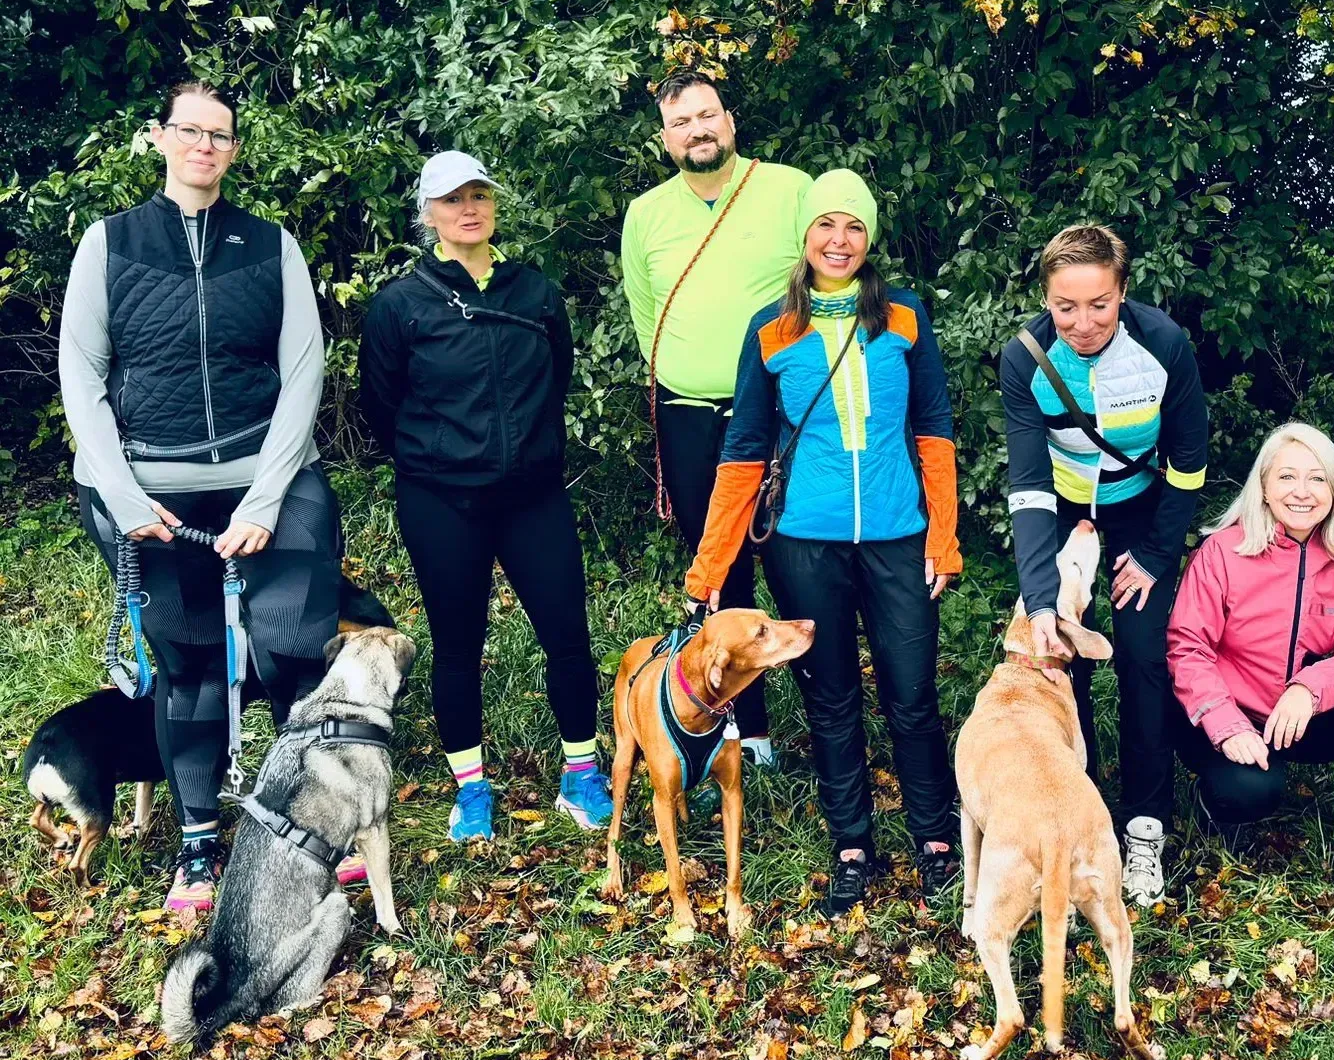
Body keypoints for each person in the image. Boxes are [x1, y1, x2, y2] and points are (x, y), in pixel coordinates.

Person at [59, 79, 343, 913]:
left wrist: (262, 500)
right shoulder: (109, 244)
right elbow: (81, 376)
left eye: (220, 135)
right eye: (190, 131)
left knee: (296, 645)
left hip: (268, 474)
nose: (204, 146)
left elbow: (302, 372)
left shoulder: (270, 245)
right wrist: (123, 495)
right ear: (160, 138)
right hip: (153, 491)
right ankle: (197, 843)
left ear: (234, 150)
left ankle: (307, 825)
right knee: (188, 668)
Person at [684, 170, 962, 914]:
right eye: (826, 226)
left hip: (899, 538)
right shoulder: (771, 328)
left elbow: (934, 429)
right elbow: (743, 447)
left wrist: (945, 538)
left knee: (912, 691)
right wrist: (712, 562)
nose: (839, 241)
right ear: (804, 237)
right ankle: (852, 844)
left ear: (870, 240)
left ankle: (935, 837)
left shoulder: (904, 318)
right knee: (832, 696)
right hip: (803, 541)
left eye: (855, 228)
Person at [359, 151, 609, 842]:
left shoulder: (536, 292)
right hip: (442, 501)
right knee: (457, 644)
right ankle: (471, 788)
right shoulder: (400, 305)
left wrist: (524, 449)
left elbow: (554, 376)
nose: (468, 208)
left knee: (566, 634)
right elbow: (381, 406)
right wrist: (443, 457)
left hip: (533, 495)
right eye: (451, 199)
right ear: (428, 214)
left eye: (479, 195)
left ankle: (581, 774)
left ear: (494, 205)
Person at [1000, 224, 1208, 906]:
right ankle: (1080, 817)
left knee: (1143, 658)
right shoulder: (1023, 359)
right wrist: (1039, 603)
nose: (1083, 323)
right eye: (1066, 307)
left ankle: (1146, 825)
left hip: (1144, 513)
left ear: (1123, 294)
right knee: (1064, 659)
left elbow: (1189, 466)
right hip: (1061, 512)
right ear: (1046, 300)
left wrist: (1153, 556)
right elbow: (1028, 488)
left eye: (1100, 305)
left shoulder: (1164, 345)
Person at [621, 71, 810, 770]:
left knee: (798, 562)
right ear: (664, 138)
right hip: (691, 415)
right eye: (681, 122)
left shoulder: (790, 188)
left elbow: (824, 285)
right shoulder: (646, 213)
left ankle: (825, 723)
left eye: (707, 115)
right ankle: (743, 730)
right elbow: (648, 313)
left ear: (729, 120)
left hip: (783, 415)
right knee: (718, 566)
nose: (697, 130)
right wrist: (686, 370)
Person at [1166, 423, 1334, 906]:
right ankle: (1216, 807)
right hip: (1228, 718)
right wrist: (1226, 724)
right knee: (1252, 791)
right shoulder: (1222, 552)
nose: (1302, 492)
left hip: (1299, 718)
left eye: (1318, 479)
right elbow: (1187, 646)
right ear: (1264, 487)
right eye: (1288, 477)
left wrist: (1308, 689)